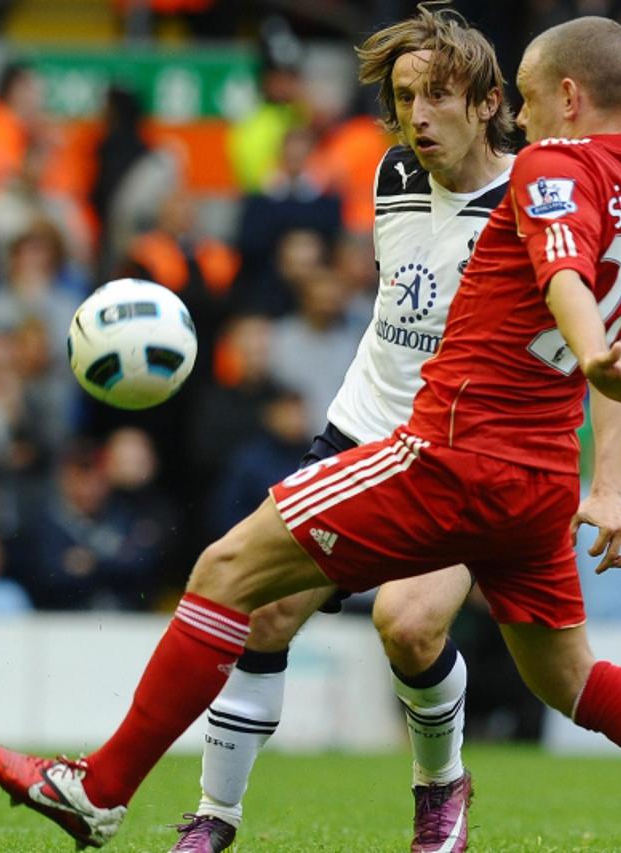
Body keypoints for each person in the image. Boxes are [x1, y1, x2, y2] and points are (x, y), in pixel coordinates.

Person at [0, 15, 621, 853]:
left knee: (227, 570)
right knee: (570, 677)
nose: (522, 119)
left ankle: (97, 790)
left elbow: (568, 274)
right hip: (532, 484)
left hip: (450, 455)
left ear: (562, 99)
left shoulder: (544, 171)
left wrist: (593, 356)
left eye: (530, 99)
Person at [173, 9, 519, 850]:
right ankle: (213, 819)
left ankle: (441, 788)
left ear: (486, 102)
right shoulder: (392, 172)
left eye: (438, 95)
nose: (418, 115)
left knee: (407, 624)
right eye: (405, 97)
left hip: (458, 454)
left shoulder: (531, 203)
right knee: (261, 611)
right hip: (361, 433)